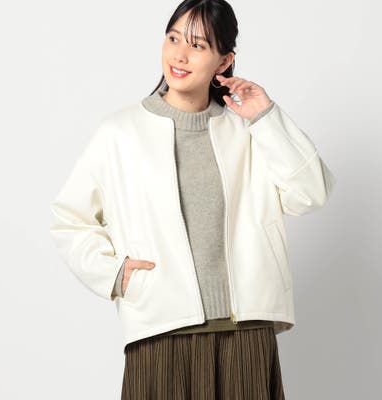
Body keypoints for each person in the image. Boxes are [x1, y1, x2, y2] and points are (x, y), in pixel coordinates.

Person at [49, 0, 336, 398]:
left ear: (224, 61)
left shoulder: (248, 133)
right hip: (161, 332)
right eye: (173, 38)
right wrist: (116, 275)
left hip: (246, 335)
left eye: (198, 45)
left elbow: (311, 193)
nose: (179, 54)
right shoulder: (120, 133)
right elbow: (70, 220)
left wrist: (265, 116)